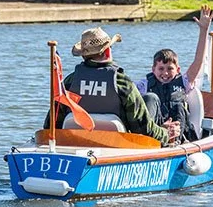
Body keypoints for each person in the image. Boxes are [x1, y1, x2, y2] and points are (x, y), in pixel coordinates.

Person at [44, 26, 178, 146]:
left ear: (83, 56)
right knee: (151, 98)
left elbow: (50, 126)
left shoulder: (68, 82)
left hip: (75, 146)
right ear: (107, 52)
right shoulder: (122, 83)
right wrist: (166, 133)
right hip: (117, 149)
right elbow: (143, 130)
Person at [136, 4, 213, 141]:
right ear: (153, 69)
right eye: (161, 69)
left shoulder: (184, 82)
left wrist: (204, 30)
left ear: (177, 70)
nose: (165, 73)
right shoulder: (143, 85)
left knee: (178, 107)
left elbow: (198, 61)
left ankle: (176, 142)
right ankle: (148, 140)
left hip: (179, 133)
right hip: (156, 132)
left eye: (170, 69)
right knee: (149, 97)